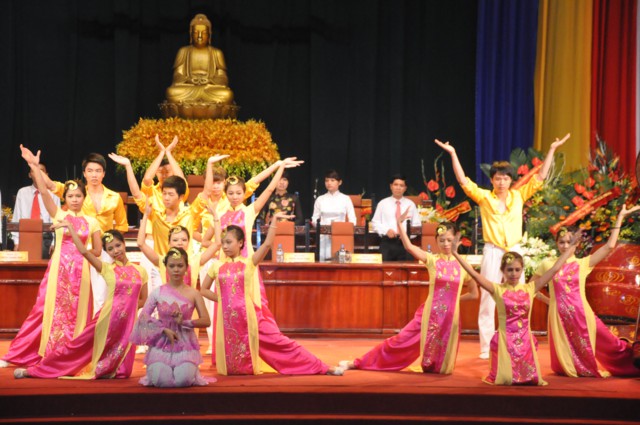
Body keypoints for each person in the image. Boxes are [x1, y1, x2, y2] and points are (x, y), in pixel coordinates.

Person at [435, 133, 570, 359]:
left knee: (520, 297)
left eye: (505, 178)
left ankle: (520, 341)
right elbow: (463, 181)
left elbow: (540, 177)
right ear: (492, 180)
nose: (501, 182)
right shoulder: (484, 198)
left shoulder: (519, 196)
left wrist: (552, 149)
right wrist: (453, 153)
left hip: (514, 251)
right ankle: (486, 347)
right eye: (497, 178)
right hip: (493, 251)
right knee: (488, 298)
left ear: (510, 180)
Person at [200, 212, 343, 376]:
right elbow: (204, 290)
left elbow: (267, 244)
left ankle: (321, 367)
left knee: (281, 343)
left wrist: (274, 221)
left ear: (240, 243)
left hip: (251, 317)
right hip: (229, 319)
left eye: (229, 242)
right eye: (223, 242)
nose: (225, 246)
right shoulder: (216, 266)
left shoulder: (249, 262)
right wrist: (223, 300)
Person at [0, 146, 101, 368]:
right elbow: (45, 192)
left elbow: (97, 251)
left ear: (84, 197)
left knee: (78, 313)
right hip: (58, 271)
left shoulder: (92, 222)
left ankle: (71, 356)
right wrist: (34, 166)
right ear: (65, 198)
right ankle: (16, 354)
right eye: (70, 196)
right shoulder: (59, 214)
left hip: (82, 274)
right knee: (42, 310)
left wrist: (83, 254)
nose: (75, 199)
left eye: (78, 196)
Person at [339, 217, 478, 374]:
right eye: (441, 240)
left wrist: (453, 301)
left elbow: (474, 294)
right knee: (399, 342)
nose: (446, 244)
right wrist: (399, 224)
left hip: (450, 319)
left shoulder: (464, 265)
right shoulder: (432, 260)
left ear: (457, 239)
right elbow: (409, 247)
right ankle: (358, 363)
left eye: (449, 240)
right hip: (428, 316)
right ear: (436, 242)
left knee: (440, 367)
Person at [13, 229, 148, 379]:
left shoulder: (140, 271)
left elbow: (143, 299)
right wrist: (71, 229)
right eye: (110, 249)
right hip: (105, 320)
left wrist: (126, 311)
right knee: (76, 348)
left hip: (127, 324)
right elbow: (84, 251)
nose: (116, 251)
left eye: (118, 245)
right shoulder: (106, 268)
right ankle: (36, 370)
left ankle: (105, 368)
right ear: (106, 252)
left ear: (124, 243)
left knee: (124, 372)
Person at [452, 232, 581, 385]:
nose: (513, 274)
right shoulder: (497, 289)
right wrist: (455, 253)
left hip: (525, 342)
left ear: (522, 270)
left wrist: (571, 248)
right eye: (509, 270)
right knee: (506, 379)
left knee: (529, 379)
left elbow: (554, 270)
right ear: (503, 271)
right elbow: (474, 274)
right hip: (505, 341)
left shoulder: (530, 288)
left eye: (517, 270)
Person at [534, 204, 640, 377]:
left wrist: (620, 218)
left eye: (569, 242)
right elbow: (531, 288)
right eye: (561, 242)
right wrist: (551, 302)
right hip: (558, 316)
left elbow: (609, 246)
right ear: (556, 243)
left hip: (582, 314)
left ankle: (633, 363)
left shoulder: (582, 263)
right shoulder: (547, 264)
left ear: (576, 244)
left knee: (610, 343)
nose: (565, 246)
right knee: (564, 363)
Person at [39, 152, 128, 314]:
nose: (94, 175)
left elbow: (122, 226)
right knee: (80, 294)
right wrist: (35, 167)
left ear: (104, 173)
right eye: (90, 170)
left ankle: (100, 327)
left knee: (103, 294)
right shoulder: (77, 192)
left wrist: (112, 247)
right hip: (80, 249)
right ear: (84, 173)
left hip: (104, 250)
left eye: (98, 171)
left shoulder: (115, 197)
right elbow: (50, 186)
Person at [130, 247, 212, 387]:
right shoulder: (157, 292)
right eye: (172, 266)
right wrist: (163, 330)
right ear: (166, 268)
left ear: (186, 268)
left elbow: (206, 321)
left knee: (183, 381)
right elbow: (143, 318)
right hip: (161, 344)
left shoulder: (194, 293)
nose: (176, 270)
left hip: (185, 344)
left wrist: (184, 322)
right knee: (162, 381)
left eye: (180, 265)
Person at [165, 14, 234, 106]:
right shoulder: (183, 51)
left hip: (209, 88)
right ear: (191, 34)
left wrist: (210, 80)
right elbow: (177, 76)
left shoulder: (217, 53)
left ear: (209, 35)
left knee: (227, 94)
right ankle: (208, 105)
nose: (200, 36)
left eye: (204, 33)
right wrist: (188, 79)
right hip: (190, 88)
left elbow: (223, 78)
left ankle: (189, 104)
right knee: (171, 92)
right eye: (196, 32)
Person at [11, 163, 60, 259]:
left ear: (47, 175)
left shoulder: (53, 194)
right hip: (26, 234)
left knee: (41, 252)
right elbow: (16, 218)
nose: (38, 173)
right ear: (30, 175)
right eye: (34, 170)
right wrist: (16, 242)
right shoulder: (22, 192)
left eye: (41, 170)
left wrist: (54, 243)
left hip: (45, 236)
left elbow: (57, 220)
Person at [370, 174, 421, 261]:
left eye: (401, 185)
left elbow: (417, 225)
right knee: (386, 268)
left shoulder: (410, 204)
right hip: (387, 242)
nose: (398, 188)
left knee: (407, 268)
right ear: (391, 186)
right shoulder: (382, 203)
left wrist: (406, 234)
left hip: (406, 243)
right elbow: (375, 223)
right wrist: (386, 231)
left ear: (405, 188)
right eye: (395, 185)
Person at [311, 169, 356, 261]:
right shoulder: (320, 199)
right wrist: (325, 229)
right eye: (326, 180)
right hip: (324, 235)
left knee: (341, 261)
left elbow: (353, 220)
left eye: (332, 180)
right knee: (324, 261)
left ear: (340, 182)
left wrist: (339, 230)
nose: (329, 183)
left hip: (341, 234)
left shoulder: (346, 199)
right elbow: (314, 219)